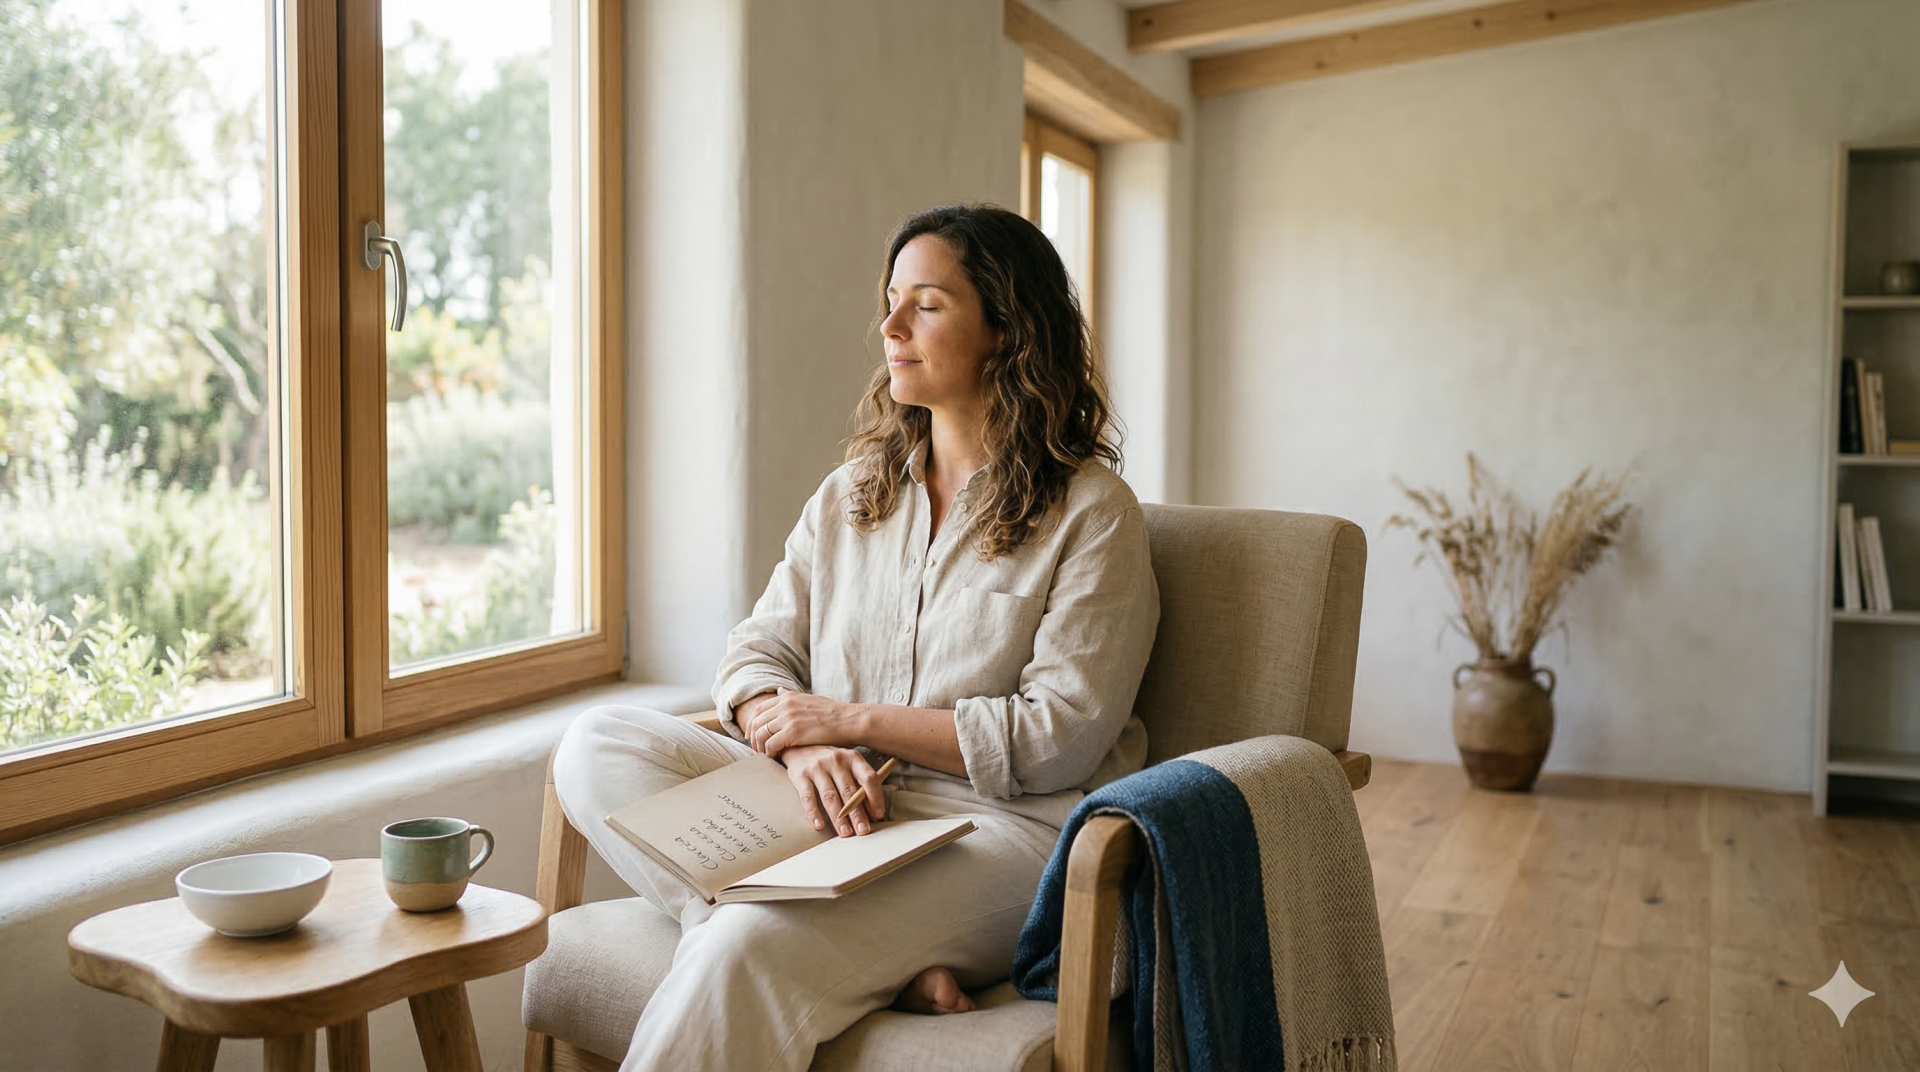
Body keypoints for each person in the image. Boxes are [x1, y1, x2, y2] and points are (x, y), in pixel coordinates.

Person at [551, 203, 1160, 1072]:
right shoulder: (850, 495)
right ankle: (860, 960)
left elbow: (1058, 738)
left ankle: (800, 940)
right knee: (595, 739)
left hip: (1001, 832)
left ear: (1005, 330)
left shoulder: (1093, 514)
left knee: (745, 948)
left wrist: (846, 722)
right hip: (833, 810)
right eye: (889, 299)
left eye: (927, 304)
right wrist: (804, 752)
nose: (891, 326)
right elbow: (754, 656)